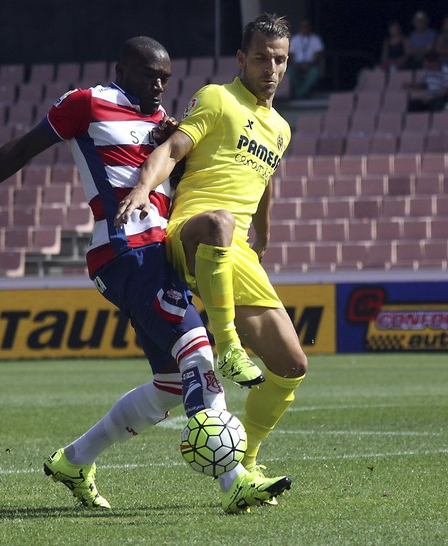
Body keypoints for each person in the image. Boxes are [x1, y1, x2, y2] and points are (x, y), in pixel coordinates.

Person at [0, 36, 290, 514]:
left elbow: (189, 173)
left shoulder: (162, 124)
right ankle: (234, 483)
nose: (159, 86)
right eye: (150, 76)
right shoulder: (88, 103)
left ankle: (74, 460)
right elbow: (21, 150)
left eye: (165, 79)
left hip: (159, 253)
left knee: (171, 383)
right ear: (122, 69)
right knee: (198, 351)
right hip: (126, 250)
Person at [116, 13, 308, 487]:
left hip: (236, 248)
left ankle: (251, 461)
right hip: (193, 232)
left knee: (291, 366)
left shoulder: (280, 128)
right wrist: (144, 186)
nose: (270, 68)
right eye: (261, 58)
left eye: (279, 60)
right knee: (221, 221)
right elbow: (175, 149)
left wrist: (263, 232)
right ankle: (227, 346)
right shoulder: (218, 98)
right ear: (242, 59)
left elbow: (262, 181)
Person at [287, 17, 324, 99]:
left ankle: (299, 94)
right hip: (297, 65)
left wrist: (309, 65)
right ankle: (301, 92)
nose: (305, 28)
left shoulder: (315, 39)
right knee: (289, 72)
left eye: (306, 26)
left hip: (311, 64)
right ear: (299, 28)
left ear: (310, 27)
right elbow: (291, 55)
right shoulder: (295, 39)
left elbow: (318, 55)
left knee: (315, 73)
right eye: (303, 26)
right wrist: (297, 65)